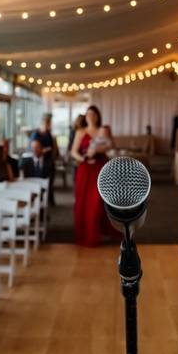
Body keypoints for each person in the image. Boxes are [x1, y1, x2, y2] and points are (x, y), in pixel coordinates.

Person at [71, 105, 115, 247]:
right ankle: (86, 235)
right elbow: (73, 152)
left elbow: (111, 146)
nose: (90, 116)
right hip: (85, 170)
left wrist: (102, 148)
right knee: (83, 203)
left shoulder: (103, 130)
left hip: (100, 169)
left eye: (93, 114)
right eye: (88, 113)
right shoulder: (81, 131)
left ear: (97, 116)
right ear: (85, 116)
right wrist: (83, 158)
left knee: (97, 203)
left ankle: (95, 234)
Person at [30, 114, 59, 205]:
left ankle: (49, 199)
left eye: (49, 123)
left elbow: (53, 147)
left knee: (50, 181)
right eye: (47, 123)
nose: (48, 125)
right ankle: (41, 202)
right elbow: (34, 148)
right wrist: (44, 150)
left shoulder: (49, 134)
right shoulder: (36, 134)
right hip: (40, 160)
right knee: (40, 181)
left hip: (49, 160)